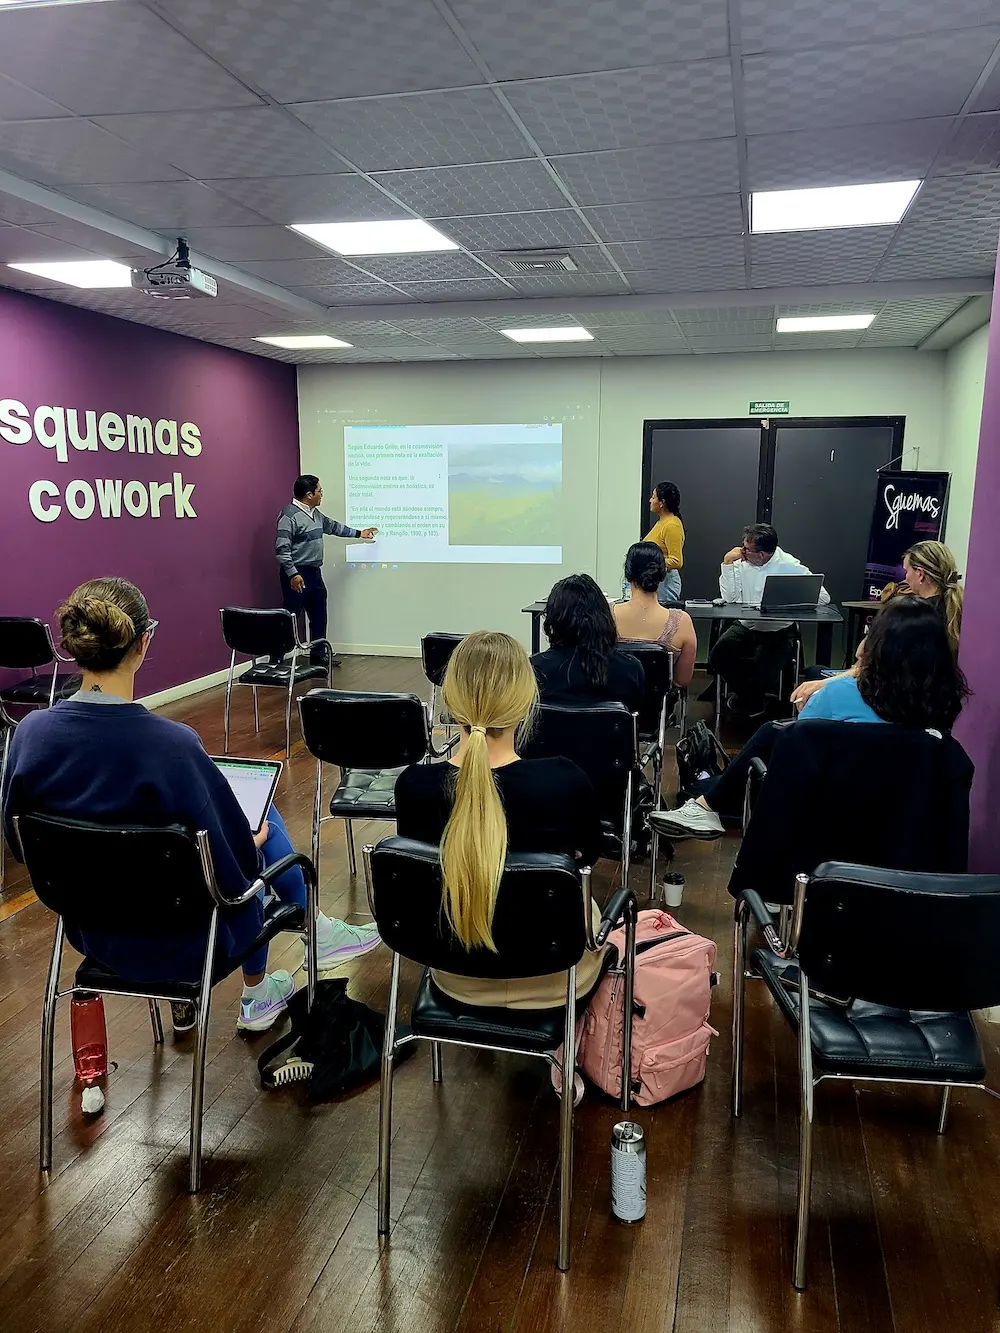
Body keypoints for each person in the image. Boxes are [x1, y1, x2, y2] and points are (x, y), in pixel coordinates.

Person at [1, 578, 380, 1035]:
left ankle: (301, 946)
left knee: (248, 823)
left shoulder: (29, 735)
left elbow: (23, 845)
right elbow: (234, 867)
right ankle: (283, 964)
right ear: (143, 642)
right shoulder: (172, 747)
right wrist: (252, 840)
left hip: (92, 932)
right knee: (257, 821)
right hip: (187, 939)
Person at [394, 630, 605, 1010]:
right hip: (556, 976)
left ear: (451, 702)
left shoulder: (413, 787)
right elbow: (588, 857)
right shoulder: (565, 782)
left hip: (455, 976)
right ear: (525, 704)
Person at [652, 597, 969, 839]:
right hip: (901, 826)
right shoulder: (942, 709)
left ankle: (705, 800)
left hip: (823, 815)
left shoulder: (840, 695)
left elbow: (794, 756)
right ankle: (705, 797)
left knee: (774, 734)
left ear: (877, 644)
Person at [789, 539, 963, 711]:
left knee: (816, 678)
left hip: (897, 701)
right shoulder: (957, 610)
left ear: (920, 574)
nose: (905, 577)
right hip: (931, 701)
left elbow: (868, 661)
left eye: (907, 571)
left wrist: (822, 684)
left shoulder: (913, 617)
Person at [710, 522, 829, 717]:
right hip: (747, 626)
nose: (742, 552)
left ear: (762, 554)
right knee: (718, 656)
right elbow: (730, 598)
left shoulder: (789, 565)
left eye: (747, 550)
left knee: (764, 667)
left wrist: (793, 597)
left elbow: (823, 598)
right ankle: (751, 698)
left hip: (779, 630)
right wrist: (727, 563)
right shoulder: (741, 562)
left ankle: (755, 701)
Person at [275, 475, 377, 666]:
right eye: (320, 491)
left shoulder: (315, 514)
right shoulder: (288, 516)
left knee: (319, 615)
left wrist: (359, 533)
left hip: (314, 573)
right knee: (289, 617)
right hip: (297, 574)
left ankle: (318, 656)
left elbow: (334, 527)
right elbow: (282, 549)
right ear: (309, 494)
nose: (322, 495)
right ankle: (277, 658)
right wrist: (292, 574)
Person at [532, 574, 644, 712]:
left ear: (554, 619)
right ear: (603, 617)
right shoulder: (630, 669)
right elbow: (641, 724)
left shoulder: (535, 670)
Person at [613, 542, 697, 688]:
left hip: (613, 705)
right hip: (657, 707)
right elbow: (682, 680)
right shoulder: (681, 621)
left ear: (627, 575)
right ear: (662, 574)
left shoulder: (605, 615)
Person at [644, 481, 685, 604]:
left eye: (653, 497)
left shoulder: (672, 525)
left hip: (664, 583)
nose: (650, 500)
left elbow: (676, 561)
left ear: (662, 503)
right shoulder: (662, 522)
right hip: (656, 580)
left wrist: (649, 562)